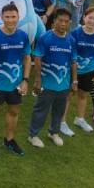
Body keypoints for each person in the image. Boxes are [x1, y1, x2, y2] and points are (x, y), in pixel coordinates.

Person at [0, 3, 30, 156]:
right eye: (7, 17)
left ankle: (9, 140)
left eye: (13, 17)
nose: (10, 20)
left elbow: (27, 58)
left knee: (14, 111)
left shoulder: (23, 36)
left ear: (18, 17)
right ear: (2, 17)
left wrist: (25, 80)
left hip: (15, 84)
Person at [29, 8, 77, 148]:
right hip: (47, 83)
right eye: (60, 20)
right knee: (41, 109)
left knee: (59, 110)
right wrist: (38, 79)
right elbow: (38, 58)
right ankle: (33, 135)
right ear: (54, 21)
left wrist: (74, 81)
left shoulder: (71, 40)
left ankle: (53, 132)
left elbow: (73, 62)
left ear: (69, 23)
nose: (63, 24)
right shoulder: (45, 38)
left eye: (66, 21)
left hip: (64, 84)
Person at [66, 7, 94, 134]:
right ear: (84, 18)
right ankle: (62, 122)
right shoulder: (75, 33)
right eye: (90, 17)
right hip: (73, 70)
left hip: (90, 71)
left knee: (83, 95)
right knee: (68, 95)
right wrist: (73, 75)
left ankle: (80, 119)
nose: (92, 21)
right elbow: (71, 54)